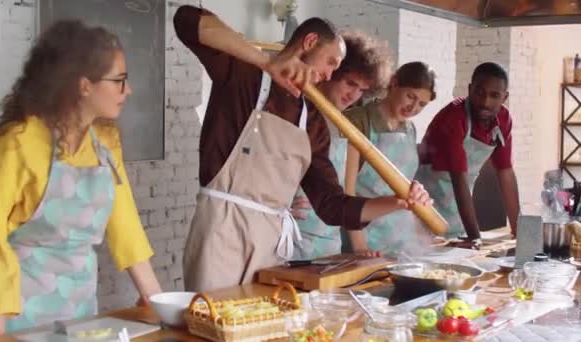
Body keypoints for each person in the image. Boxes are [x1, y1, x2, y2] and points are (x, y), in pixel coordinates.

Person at [174, 5, 432, 292]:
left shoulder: (311, 122)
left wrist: (398, 201)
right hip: (220, 233)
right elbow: (186, 19)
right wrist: (266, 62)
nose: (329, 74)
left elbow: (332, 206)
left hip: (271, 247)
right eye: (331, 63)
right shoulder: (243, 76)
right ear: (309, 43)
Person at [0, 20, 162, 338]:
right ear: (84, 85)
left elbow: (125, 223)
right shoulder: (14, 144)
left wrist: (156, 300)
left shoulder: (105, 142)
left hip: (82, 314)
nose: (127, 90)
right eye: (119, 81)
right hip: (20, 315)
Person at [291, 30, 393, 259]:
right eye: (350, 83)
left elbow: (346, 193)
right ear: (331, 72)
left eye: (362, 90)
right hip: (290, 240)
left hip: (329, 246)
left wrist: (360, 249)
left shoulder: (347, 128)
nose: (354, 95)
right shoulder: (299, 114)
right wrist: (280, 206)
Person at [416, 62, 520, 244]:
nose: (486, 102)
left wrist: (519, 231)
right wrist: (474, 237)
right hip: (425, 204)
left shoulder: (504, 120)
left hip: (460, 209)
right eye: (480, 92)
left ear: (505, 97)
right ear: (470, 89)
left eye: (494, 95)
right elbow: (459, 179)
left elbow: (506, 172)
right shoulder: (453, 117)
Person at [343, 62, 436, 257]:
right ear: (394, 83)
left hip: (404, 239)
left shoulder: (409, 130)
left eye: (421, 104)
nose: (413, 108)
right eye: (410, 96)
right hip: (368, 238)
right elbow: (347, 193)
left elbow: (406, 187)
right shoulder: (358, 121)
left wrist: (425, 241)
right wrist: (360, 249)